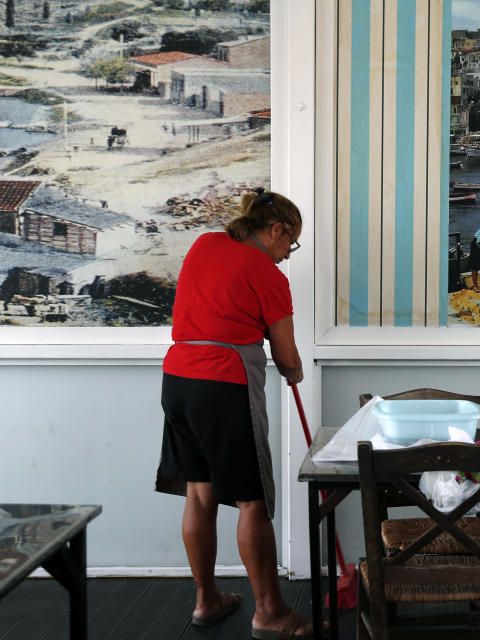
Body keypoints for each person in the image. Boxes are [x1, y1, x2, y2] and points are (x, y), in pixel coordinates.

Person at [156, 190, 318, 638]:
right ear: (277, 230)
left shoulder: (204, 244)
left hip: (178, 381)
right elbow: (286, 355)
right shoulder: (266, 273)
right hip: (225, 384)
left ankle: (207, 600)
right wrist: (296, 371)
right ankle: (270, 613)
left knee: (199, 494)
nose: (287, 256)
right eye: (291, 243)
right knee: (251, 500)